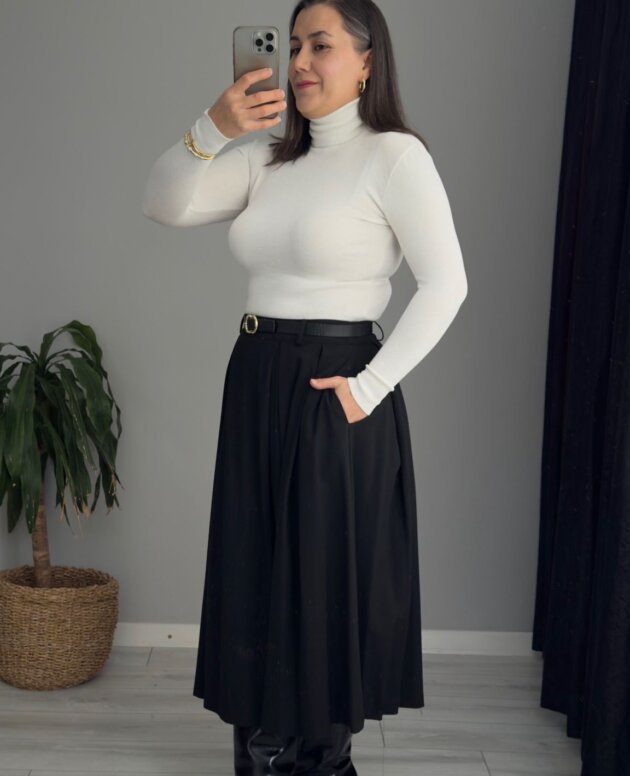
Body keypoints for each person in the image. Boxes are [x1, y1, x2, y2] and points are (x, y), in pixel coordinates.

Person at [142, 1, 468, 773]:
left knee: (318, 581)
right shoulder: (267, 158)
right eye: (292, 46)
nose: (298, 63)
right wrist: (214, 127)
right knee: (254, 568)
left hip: (337, 383)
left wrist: (369, 387)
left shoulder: (394, 157)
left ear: (367, 60)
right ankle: (259, 760)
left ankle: (320, 762)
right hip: (257, 375)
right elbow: (162, 202)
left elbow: (447, 285)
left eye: (320, 45)